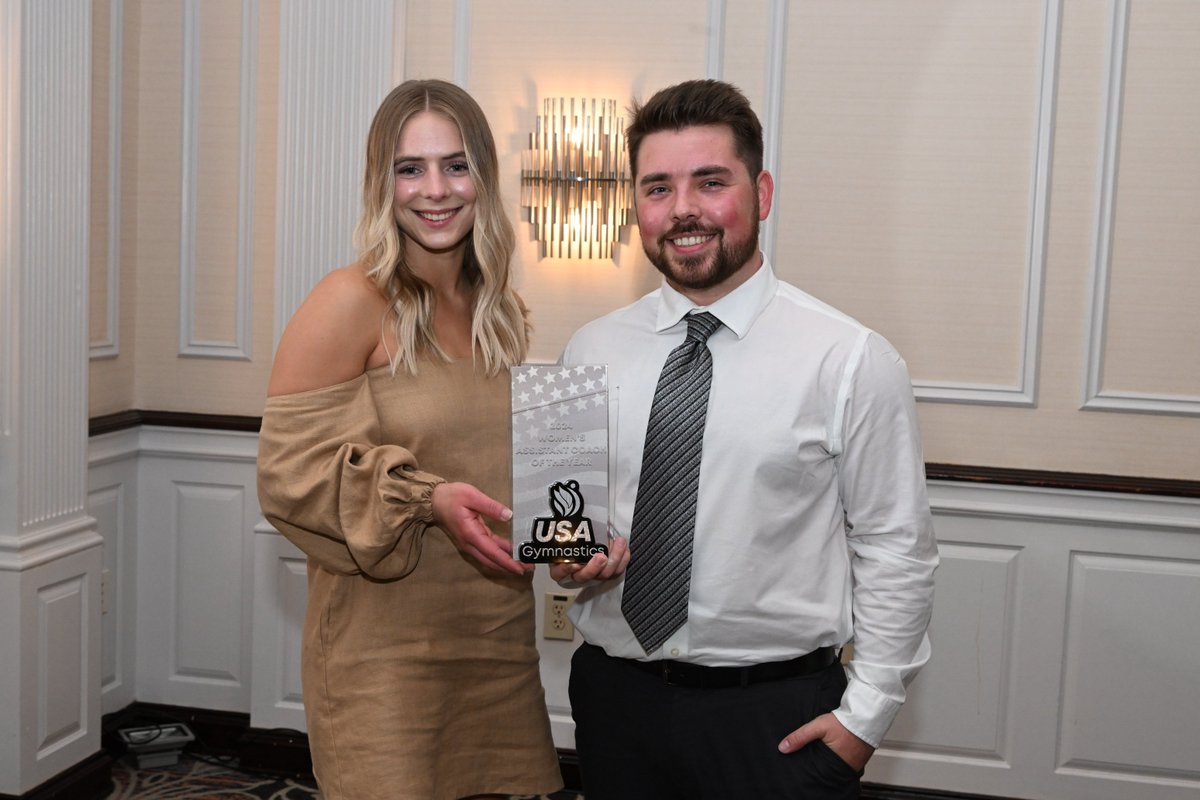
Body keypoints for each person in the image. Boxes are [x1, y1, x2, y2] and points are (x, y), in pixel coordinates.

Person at [554, 79, 939, 799]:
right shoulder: (589, 350)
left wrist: (865, 720)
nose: (684, 210)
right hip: (616, 703)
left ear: (761, 192)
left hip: (777, 719)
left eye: (710, 182)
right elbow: (574, 524)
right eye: (658, 187)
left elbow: (897, 549)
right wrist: (574, 561)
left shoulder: (850, 359)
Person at [256, 79, 562, 800]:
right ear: (382, 183)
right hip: (383, 662)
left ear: (483, 176)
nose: (436, 190)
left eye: (456, 165)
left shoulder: (502, 313)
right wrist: (428, 499)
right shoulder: (349, 301)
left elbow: (509, 471)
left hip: (496, 643)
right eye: (410, 168)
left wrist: (575, 541)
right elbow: (288, 477)